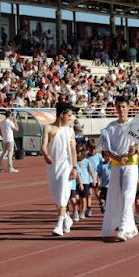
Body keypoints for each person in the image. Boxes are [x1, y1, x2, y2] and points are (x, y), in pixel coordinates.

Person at [97, 95, 139, 241]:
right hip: (116, 166)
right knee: (117, 197)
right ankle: (132, 227)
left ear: (128, 108)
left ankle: (122, 227)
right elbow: (105, 149)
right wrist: (116, 158)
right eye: (118, 107)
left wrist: (136, 151)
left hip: (131, 165)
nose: (121, 109)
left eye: (123, 106)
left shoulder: (136, 125)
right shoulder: (110, 127)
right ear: (115, 108)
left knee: (128, 195)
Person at [41, 101, 78, 236]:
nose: (70, 118)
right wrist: (46, 155)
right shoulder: (48, 128)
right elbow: (44, 145)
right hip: (52, 167)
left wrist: (74, 167)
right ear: (61, 115)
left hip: (66, 167)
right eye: (69, 115)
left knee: (63, 194)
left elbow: (73, 151)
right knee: (56, 195)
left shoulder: (70, 131)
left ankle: (58, 226)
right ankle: (66, 219)